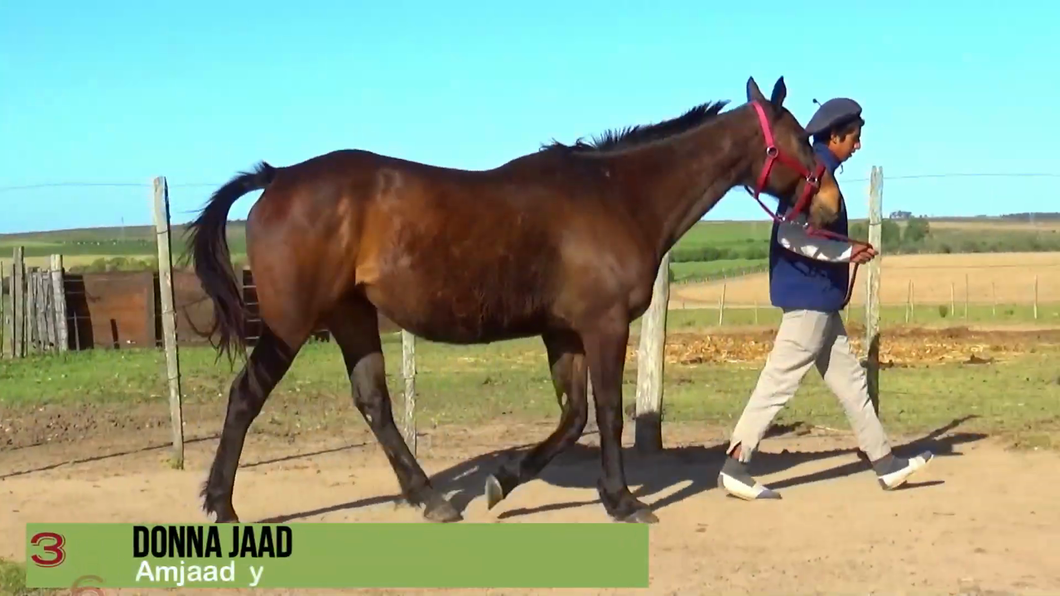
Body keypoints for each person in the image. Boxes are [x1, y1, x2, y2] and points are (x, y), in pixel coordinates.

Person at [717, 97, 933, 501]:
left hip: (820, 302)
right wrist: (846, 252)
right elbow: (791, 236)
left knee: (851, 385)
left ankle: (885, 463)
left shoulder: (818, 171)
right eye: (854, 137)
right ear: (835, 136)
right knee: (777, 384)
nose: (858, 145)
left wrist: (845, 252)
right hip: (808, 301)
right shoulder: (810, 174)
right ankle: (735, 466)